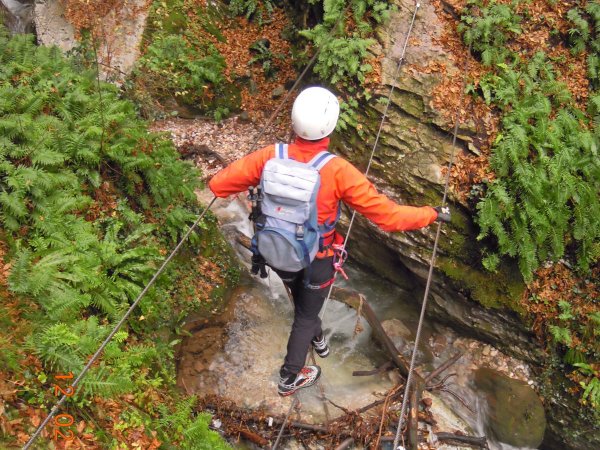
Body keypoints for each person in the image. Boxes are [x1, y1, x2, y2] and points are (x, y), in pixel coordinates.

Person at [208, 86, 450, 397]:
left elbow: (218, 184)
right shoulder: (337, 171)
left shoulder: (270, 156)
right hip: (318, 257)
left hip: (276, 250)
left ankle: (317, 338)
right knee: (307, 314)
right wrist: (431, 213)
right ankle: (289, 378)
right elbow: (389, 217)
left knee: (301, 297)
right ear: (330, 126)